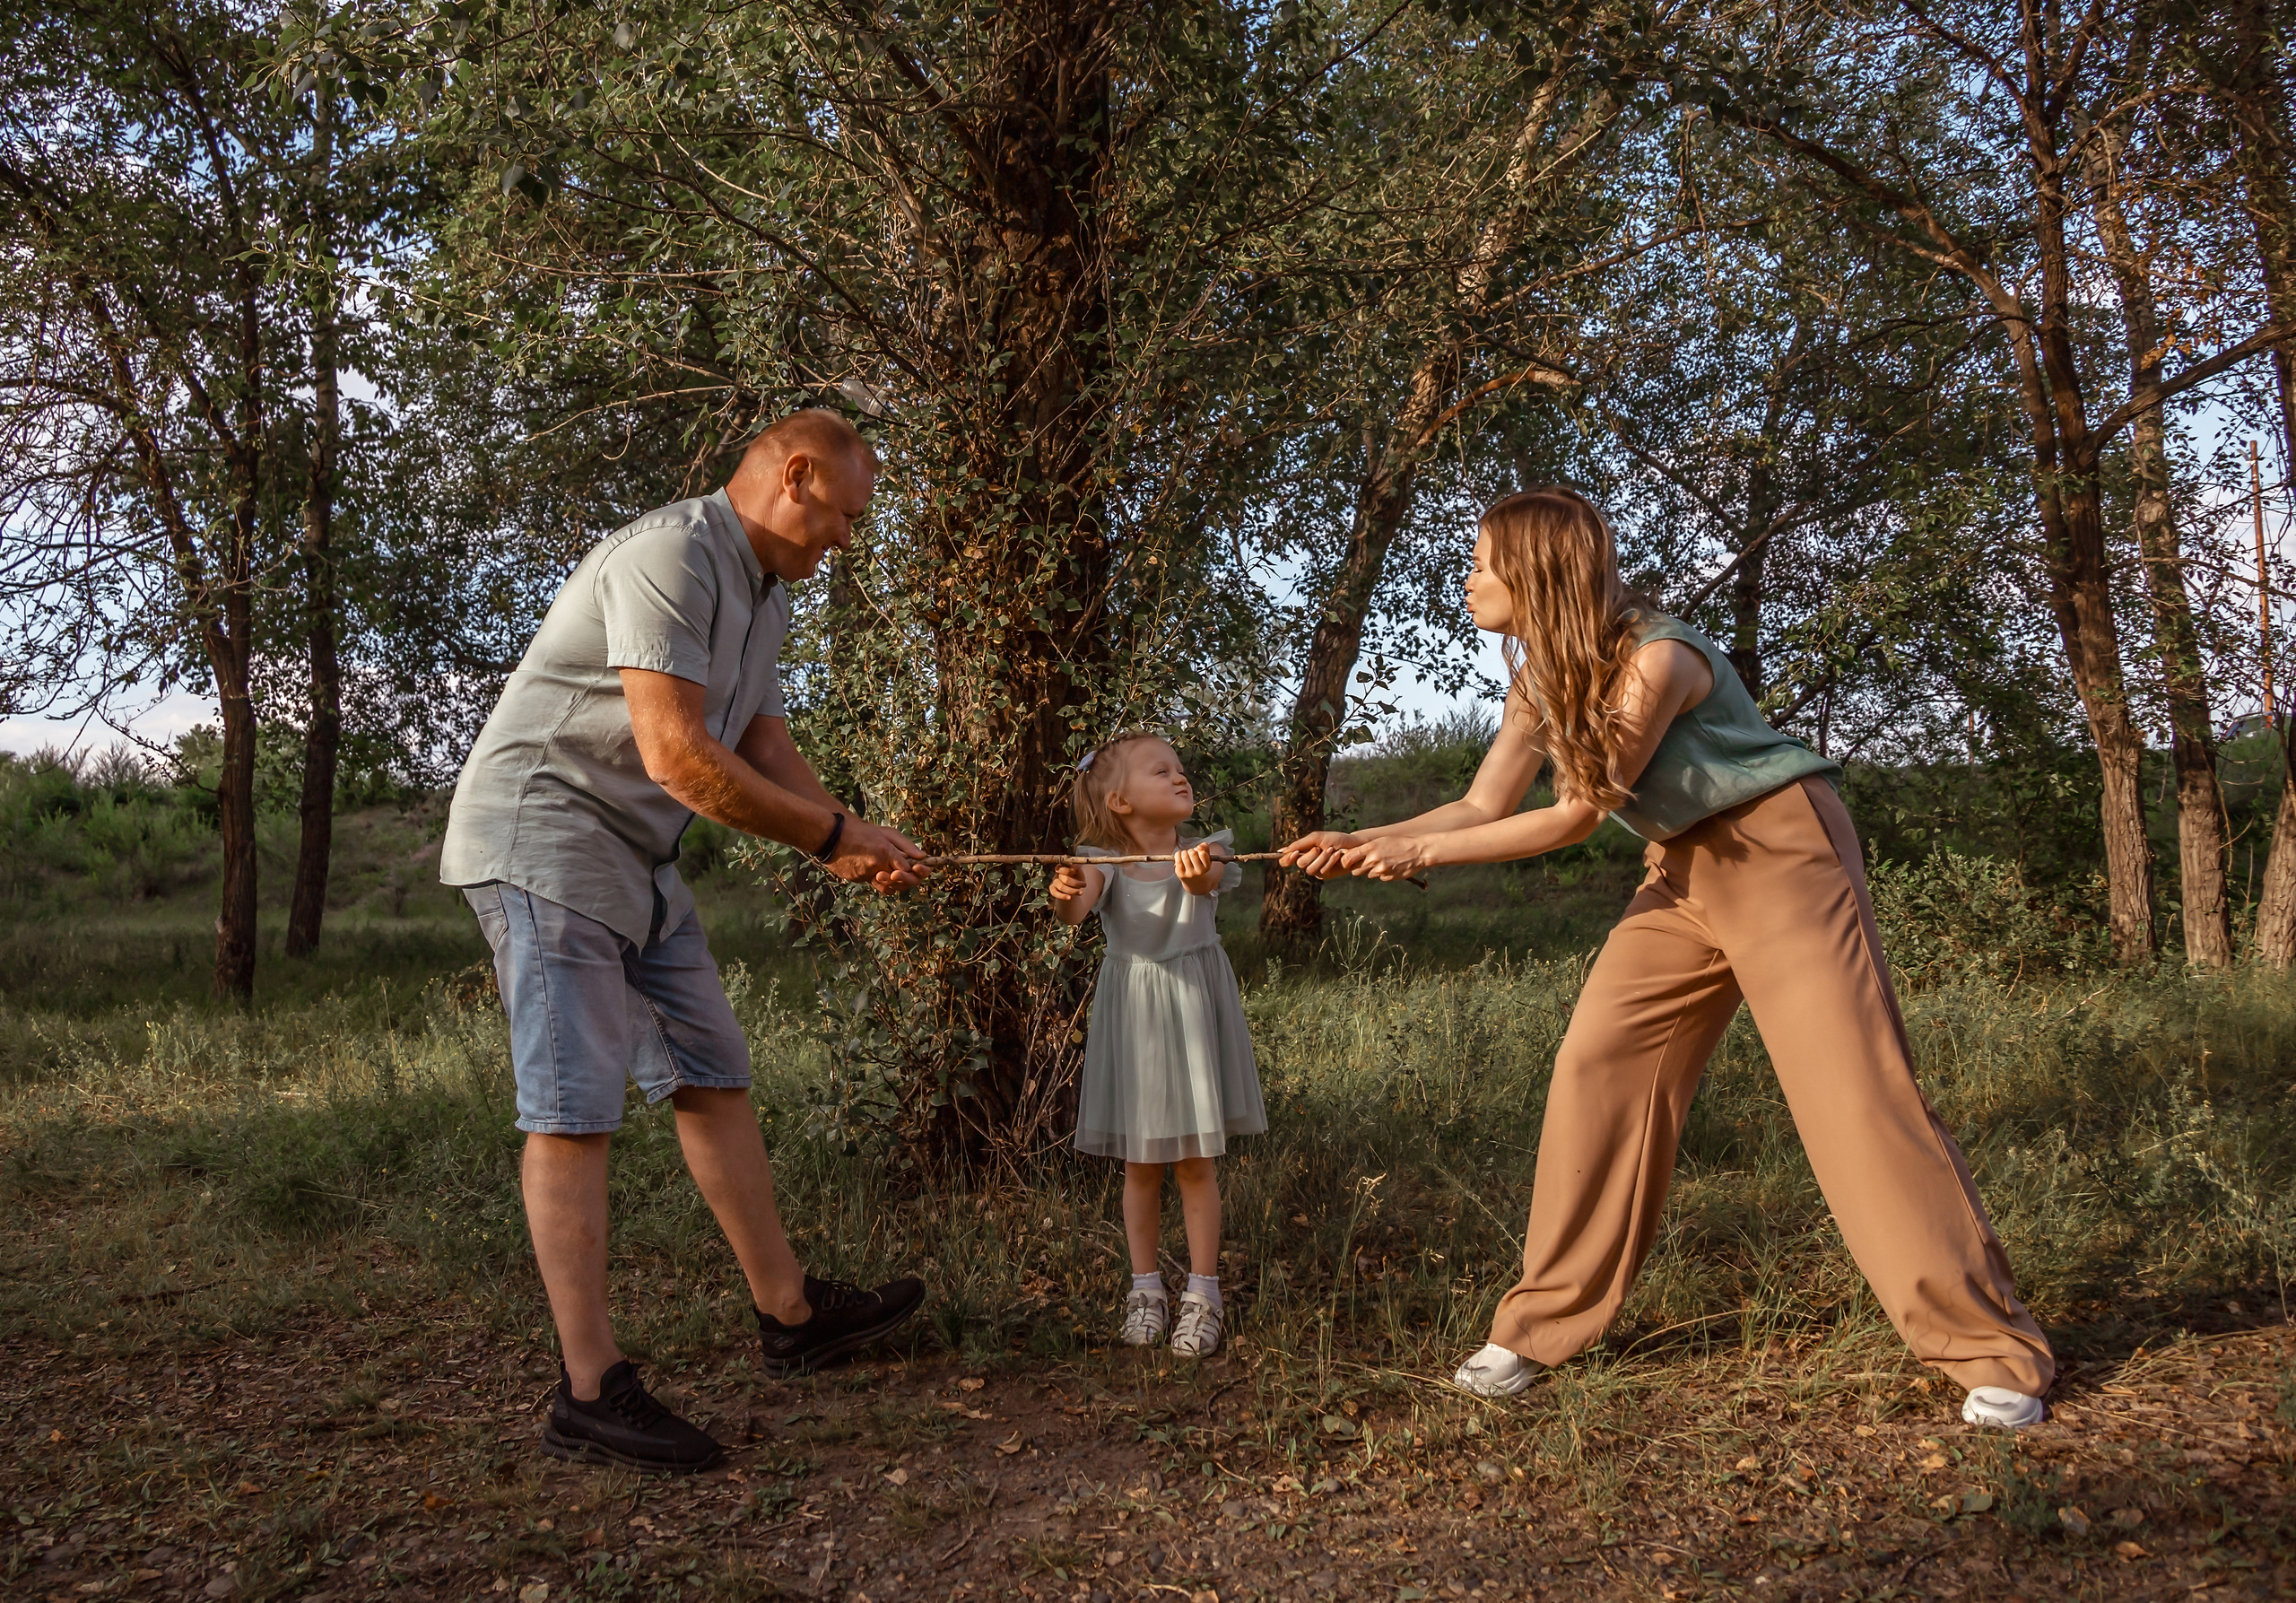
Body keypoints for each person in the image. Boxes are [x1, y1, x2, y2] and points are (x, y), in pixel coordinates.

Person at [1282, 487, 2055, 1430]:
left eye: (1485, 559)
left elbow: (1574, 812)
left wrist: (1417, 853)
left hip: (1779, 853)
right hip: (1682, 869)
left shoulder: (1659, 655)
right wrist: (1364, 835)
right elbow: (1483, 807)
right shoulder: (1541, 677)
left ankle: (1990, 1348)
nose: (1471, 576)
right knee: (1597, 1064)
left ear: (1539, 568)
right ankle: (1539, 1325)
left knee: (1852, 1093)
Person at [440, 409, 931, 1474]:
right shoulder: (669, 551)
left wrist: (847, 839)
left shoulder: (763, 591)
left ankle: (791, 1315)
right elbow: (675, 754)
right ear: (794, 476)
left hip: (637, 854)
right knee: (576, 1104)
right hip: (546, 832)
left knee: (712, 1070)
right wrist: (830, 833)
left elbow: (757, 736)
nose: (846, 539)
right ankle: (588, 1390)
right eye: (843, 515)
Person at [1049, 733, 1265, 1358]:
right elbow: (1077, 908)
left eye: (1180, 767)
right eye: (1160, 770)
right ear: (1119, 801)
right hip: (1137, 1014)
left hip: (1191, 1010)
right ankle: (1145, 1289)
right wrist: (1064, 896)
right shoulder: (1100, 860)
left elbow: (1204, 887)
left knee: (1196, 1159)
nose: (1179, 777)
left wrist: (1196, 873)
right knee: (1140, 1163)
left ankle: (1203, 1294)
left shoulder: (1208, 850)